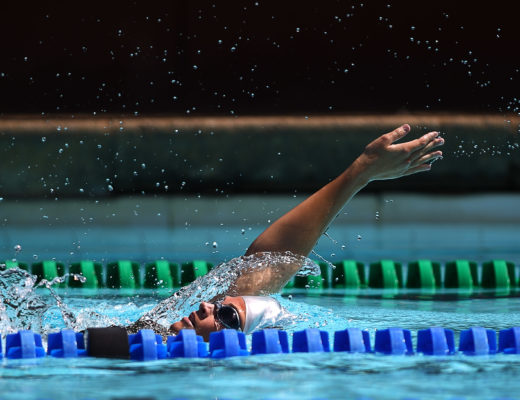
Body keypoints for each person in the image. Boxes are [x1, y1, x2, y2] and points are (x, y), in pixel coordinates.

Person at [137, 124, 444, 341]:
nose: (206, 305)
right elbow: (269, 260)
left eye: (227, 315)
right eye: (221, 306)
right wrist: (359, 173)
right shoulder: (150, 334)